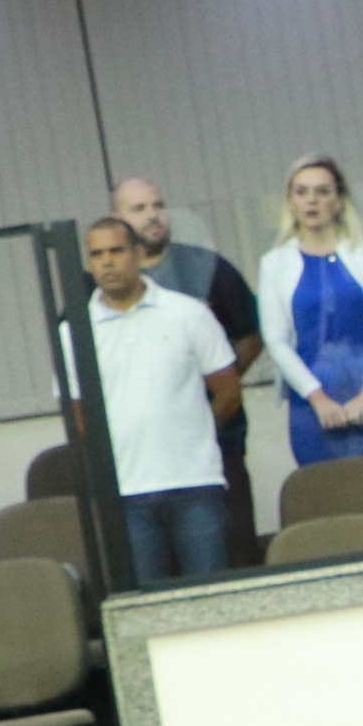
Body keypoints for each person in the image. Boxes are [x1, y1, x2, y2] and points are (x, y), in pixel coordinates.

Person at [69, 215, 236, 584]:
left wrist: (193, 434)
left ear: (137, 253)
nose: (107, 262)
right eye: (97, 254)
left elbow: (227, 390)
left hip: (195, 484)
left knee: (213, 597)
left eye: (116, 251)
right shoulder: (74, 332)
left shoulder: (187, 313)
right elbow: (78, 414)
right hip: (125, 493)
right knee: (146, 604)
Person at [114, 176, 263, 549]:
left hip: (217, 442)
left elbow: (251, 333)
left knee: (231, 547)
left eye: (158, 206)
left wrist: (218, 384)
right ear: (117, 218)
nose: (153, 215)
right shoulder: (104, 287)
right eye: (139, 209)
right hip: (140, 461)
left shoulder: (206, 267)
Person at [256, 156, 363, 469]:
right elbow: (275, 339)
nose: (312, 200)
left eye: (322, 191)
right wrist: (317, 398)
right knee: (328, 486)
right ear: (291, 201)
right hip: (312, 397)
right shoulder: (274, 263)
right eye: (302, 192)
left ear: (338, 199)